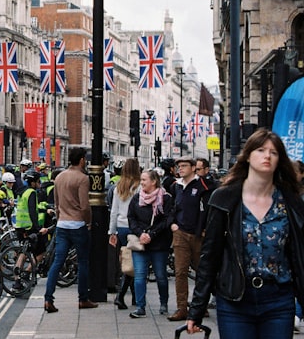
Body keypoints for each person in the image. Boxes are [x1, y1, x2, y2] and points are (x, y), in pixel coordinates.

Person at [188, 128, 304, 338]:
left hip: (278, 299)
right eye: (261, 150)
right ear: (248, 155)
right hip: (235, 300)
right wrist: (197, 308)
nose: (267, 156)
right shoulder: (224, 199)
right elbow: (209, 256)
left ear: (280, 160)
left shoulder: (290, 202)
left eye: (274, 152)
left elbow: (299, 255)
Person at [45, 147, 97, 312]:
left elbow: (57, 203)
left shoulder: (59, 177)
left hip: (62, 225)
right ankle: (83, 299)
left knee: (58, 262)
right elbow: (85, 206)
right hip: (77, 225)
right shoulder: (82, 178)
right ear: (82, 160)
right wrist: (88, 222)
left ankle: (48, 299)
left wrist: (61, 217)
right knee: (83, 262)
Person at [169, 156, 215, 320]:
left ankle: (200, 305)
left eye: (184, 166)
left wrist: (204, 229)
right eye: (178, 166)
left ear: (193, 167)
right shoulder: (177, 186)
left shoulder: (203, 185)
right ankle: (181, 308)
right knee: (180, 271)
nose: (180, 169)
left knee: (201, 270)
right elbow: (172, 207)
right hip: (180, 233)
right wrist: (172, 223)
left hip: (198, 234)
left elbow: (208, 209)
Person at [127, 168, 175, 318]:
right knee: (140, 275)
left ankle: (164, 303)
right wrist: (141, 233)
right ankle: (140, 306)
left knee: (161, 275)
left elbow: (167, 219)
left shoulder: (165, 198)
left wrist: (152, 234)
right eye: (141, 180)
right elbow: (131, 218)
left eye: (144, 180)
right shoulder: (136, 198)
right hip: (140, 243)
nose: (141, 183)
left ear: (154, 181)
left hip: (159, 243)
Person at [109, 157, 140, 309]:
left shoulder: (118, 187)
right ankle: (121, 296)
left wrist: (112, 231)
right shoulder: (138, 187)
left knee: (128, 261)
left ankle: (134, 297)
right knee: (134, 263)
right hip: (134, 227)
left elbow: (114, 212)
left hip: (121, 227)